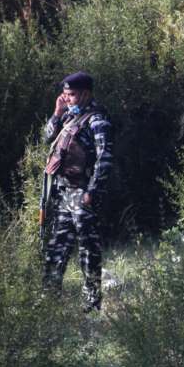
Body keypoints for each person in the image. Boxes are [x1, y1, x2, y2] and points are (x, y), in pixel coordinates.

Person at [41, 71, 113, 311]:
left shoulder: (96, 120)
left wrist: (91, 192)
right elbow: (47, 137)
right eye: (65, 94)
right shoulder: (69, 118)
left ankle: (92, 303)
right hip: (64, 194)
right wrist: (57, 113)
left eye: (71, 95)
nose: (67, 99)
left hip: (83, 194)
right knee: (57, 246)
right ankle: (49, 301)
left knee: (88, 249)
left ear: (85, 94)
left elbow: (105, 159)